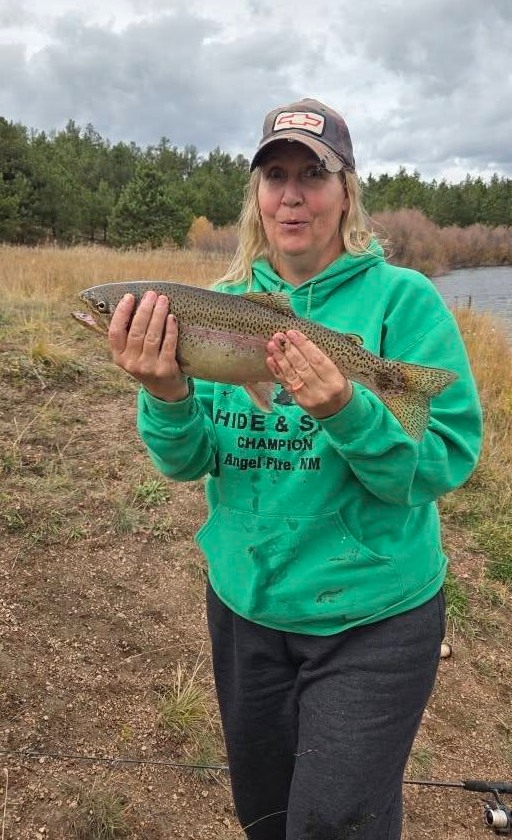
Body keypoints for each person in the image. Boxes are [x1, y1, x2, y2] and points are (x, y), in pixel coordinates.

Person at [107, 98, 483, 839]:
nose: (291, 193)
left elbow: (442, 463)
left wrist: (348, 407)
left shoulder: (403, 301)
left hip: (375, 617)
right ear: (256, 194)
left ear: (346, 192)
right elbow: (188, 462)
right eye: (274, 175)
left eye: (314, 174)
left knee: (333, 823)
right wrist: (166, 392)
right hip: (247, 606)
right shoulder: (211, 308)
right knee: (268, 817)